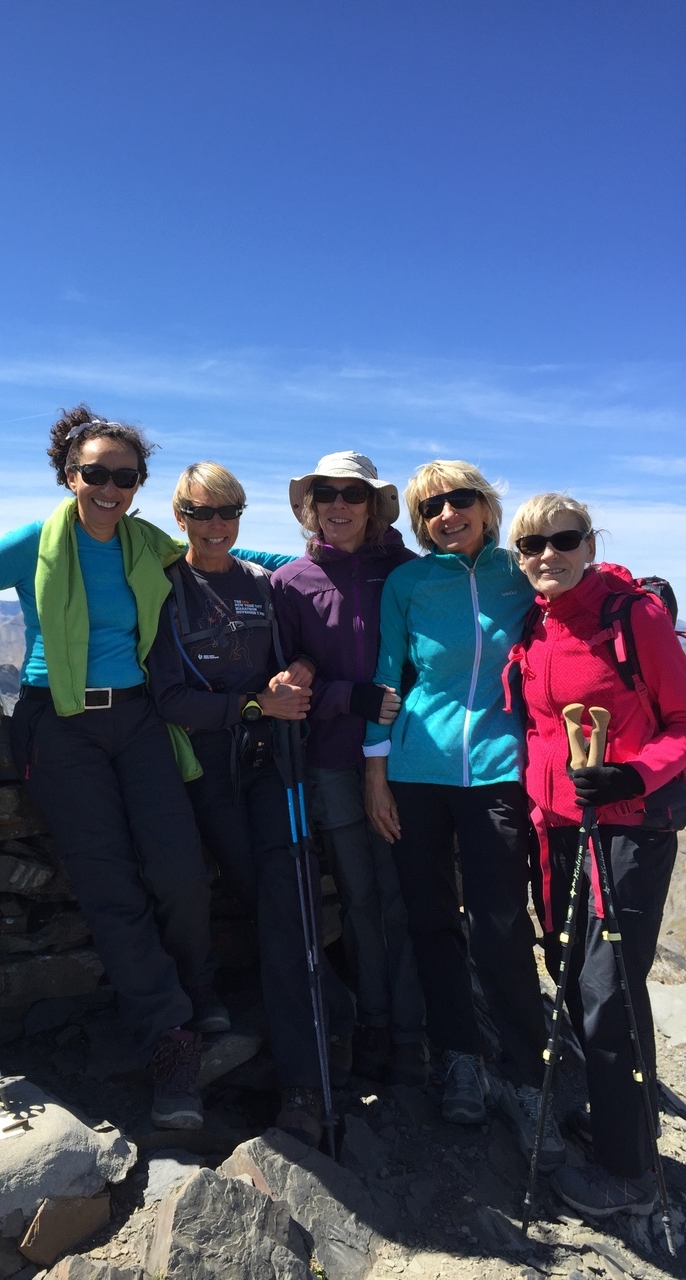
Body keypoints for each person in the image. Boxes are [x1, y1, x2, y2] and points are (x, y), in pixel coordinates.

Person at [0, 407, 224, 1130]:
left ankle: (197, 992)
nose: (109, 488)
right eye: (95, 473)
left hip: (138, 717)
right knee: (110, 885)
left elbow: (224, 552)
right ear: (70, 476)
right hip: (59, 724)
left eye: (124, 477)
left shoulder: (147, 543)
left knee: (181, 869)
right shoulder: (32, 543)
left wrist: (312, 564)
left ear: (138, 484)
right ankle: (171, 1040)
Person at [363, 460, 564, 1170]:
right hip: (416, 770)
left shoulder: (521, 570)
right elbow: (386, 679)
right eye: (432, 507)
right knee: (431, 921)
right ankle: (460, 1060)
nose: (447, 514)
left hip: (502, 772)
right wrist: (375, 774)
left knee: (502, 924)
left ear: (485, 505)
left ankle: (525, 1073)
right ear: (420, 522)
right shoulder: (408, 582)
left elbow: (579, 592)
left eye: (460, 499)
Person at [146, 461, 340, 1145]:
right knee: (257, 897)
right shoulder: (164, 588)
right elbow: (169, 697)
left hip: (272, 767)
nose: (216, 525)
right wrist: (257, 704)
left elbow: (303, 651)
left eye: (228, 512)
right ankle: (315, 1027)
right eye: (201, 513)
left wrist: (302, 670)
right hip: (211, 770)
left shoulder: (263, 582)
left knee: (286, 902)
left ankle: (304, 1080)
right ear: (180, 517)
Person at [507, 493, 686, 1217]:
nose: (547, 555)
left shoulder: (633, 617)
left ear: (589, 542)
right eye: (531, 545)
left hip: (628, 829)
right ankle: (625, 1123)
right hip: (556, 829)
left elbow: (682, 720)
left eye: (564, 539)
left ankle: (628, 1175)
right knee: (573, 975)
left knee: (607, 995)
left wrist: (632, 775)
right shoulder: (535, 623)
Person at [271, 452, 426, 1084]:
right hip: (332, 759)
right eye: (326, 493)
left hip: (405, 757)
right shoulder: (290, 583)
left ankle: (411, 1031)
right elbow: (283, 681)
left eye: (353, 494)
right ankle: (375, 1023)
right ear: (311, 505)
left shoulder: (407, 573)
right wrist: (343, 696)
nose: (339, 504)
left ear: (372, 505)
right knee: (360, 897)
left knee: (399, 895)